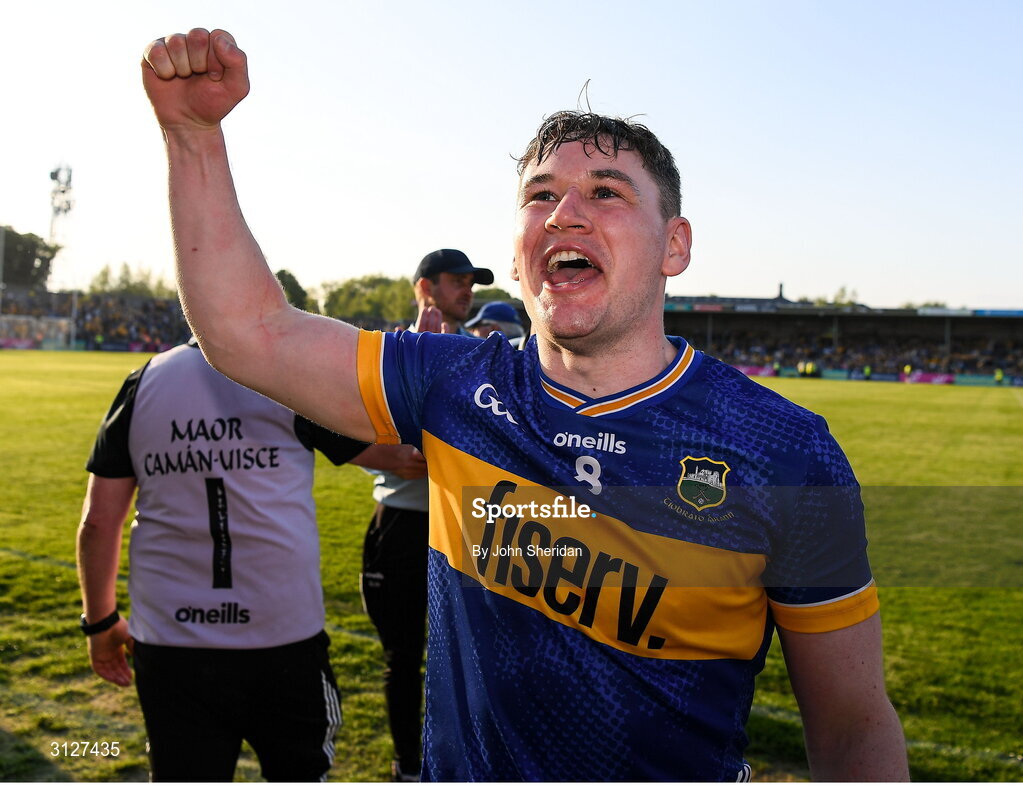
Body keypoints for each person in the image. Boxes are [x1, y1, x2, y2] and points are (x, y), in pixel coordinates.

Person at [140, 29, 909, 781]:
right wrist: (192, 135)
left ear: (674, 246)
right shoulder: (451, 384)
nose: (564, 213)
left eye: (605, 193)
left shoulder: (783, 450)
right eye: (541, 195)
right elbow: (249, 333)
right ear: (514, 253)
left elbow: (851, 725)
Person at [76, 338, 366, 781]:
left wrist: (99, 625)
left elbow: (99, 522)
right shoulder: (289, 379)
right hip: (282, 640)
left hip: (173, 643)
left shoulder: (145, 381)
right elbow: (401, 456)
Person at [349, 248, 492, 781]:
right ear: (425, 289)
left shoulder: (481, 356)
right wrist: (389, 455)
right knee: (404, 658)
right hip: (405, 525)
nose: (468, 291)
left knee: (474, 659)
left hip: (468, 530)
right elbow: (340, 429)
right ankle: (409, 766)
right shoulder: (390, 353)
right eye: (458, 281)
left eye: (471, 283)